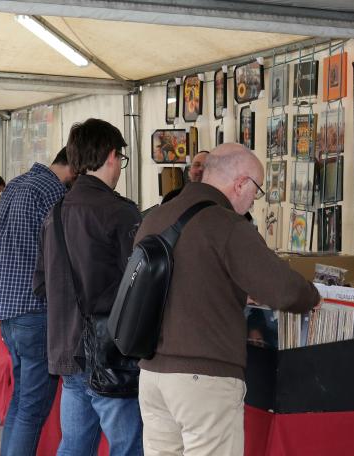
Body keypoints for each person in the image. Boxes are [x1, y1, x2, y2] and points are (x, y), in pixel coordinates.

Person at [135, 143, 320, 456]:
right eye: (256, 191)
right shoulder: (226, 224)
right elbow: (284, 290)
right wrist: (313, 296)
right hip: (204, 377)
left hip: (152, 373)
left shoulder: (156, 216)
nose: (253, 201)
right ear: (241, 183)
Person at [34, 118, 143, 455]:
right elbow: (139, 288)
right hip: (111, 352)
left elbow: (40, 286)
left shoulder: (55, 212)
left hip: (67, 350)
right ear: (112, 156)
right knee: (127, 446)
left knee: (75, 446)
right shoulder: (120, 213)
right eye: (120, 160)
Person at [0, 147, 75, 456]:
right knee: (32, 409)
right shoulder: (54, 193)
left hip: (7, 308)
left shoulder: (15, 184)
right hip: (35, 309)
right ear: (75, 169)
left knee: (21, 400)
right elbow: (59, 256)